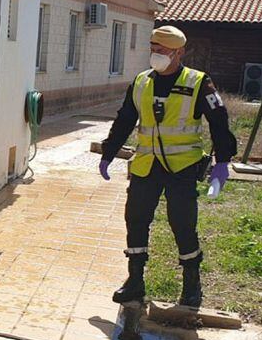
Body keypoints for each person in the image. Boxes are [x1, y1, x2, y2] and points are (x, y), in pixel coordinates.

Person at [97, 25, 236, 307]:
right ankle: (134, 281)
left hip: (181, 168)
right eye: (153, 49)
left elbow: (219, 121)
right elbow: (125, 118)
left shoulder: (198, 82)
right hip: (146, 166)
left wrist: (222, 162)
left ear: (179, 52)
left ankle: (191, 286)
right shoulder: (141, 82)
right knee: (135, 220)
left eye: (162, 51)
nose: (156, 55)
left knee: (183, 225)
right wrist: (108, 151)